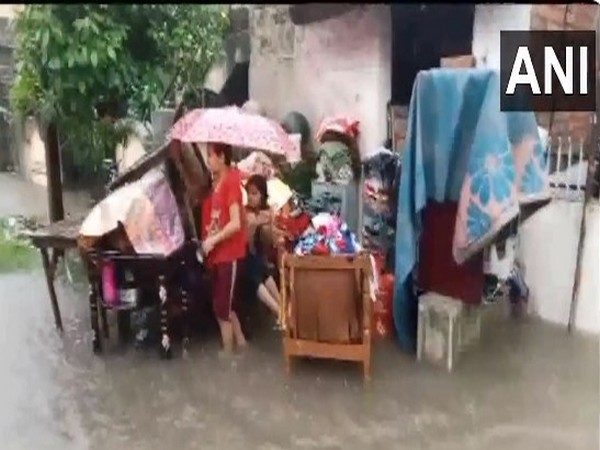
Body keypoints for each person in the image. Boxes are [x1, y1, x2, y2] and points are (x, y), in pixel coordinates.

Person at [201, 142, 248, 357]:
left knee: (221, 309)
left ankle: (228, 355)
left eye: (210, 155)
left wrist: (214, 239)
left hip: (230, 255)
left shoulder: (231, 182)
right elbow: (219, 219)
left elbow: (236, 223)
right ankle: (242, 346)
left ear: (221, 157)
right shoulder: (218, 184)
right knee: (227, 307)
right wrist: (210, 237)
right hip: (219, 254)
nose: (208, 160)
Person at [244, 174, 282, 325]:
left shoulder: (266, 213)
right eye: (249, 193)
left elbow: (272, 242)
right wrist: (254, 224)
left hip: (259, 261)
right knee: (256, 271)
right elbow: (249, 244)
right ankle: (279, 313)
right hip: (246, 259)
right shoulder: (245, 213)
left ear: (262, 195)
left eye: (254, 193)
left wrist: (270, 223)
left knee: (263, 269)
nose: (250, 197)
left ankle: (283, 309)